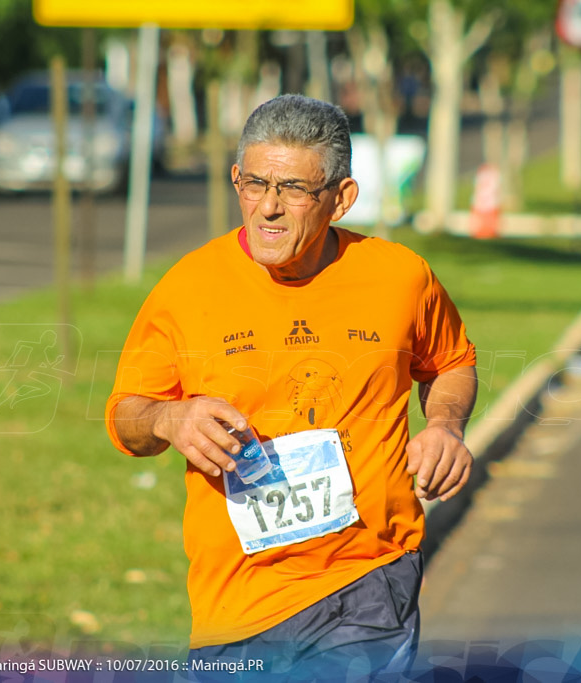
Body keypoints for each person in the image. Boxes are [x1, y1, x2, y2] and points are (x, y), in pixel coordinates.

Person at [105, 94, 478, 680]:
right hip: (238, 598)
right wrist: (168, 420)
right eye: (255, 184)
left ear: (341, 198)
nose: (268, 209)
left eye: (295, 190)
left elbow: (451, 361)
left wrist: (445, 426)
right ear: (236, 180)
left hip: (366, 575)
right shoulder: (189, 286)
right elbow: (126, 414)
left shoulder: (399, 277)